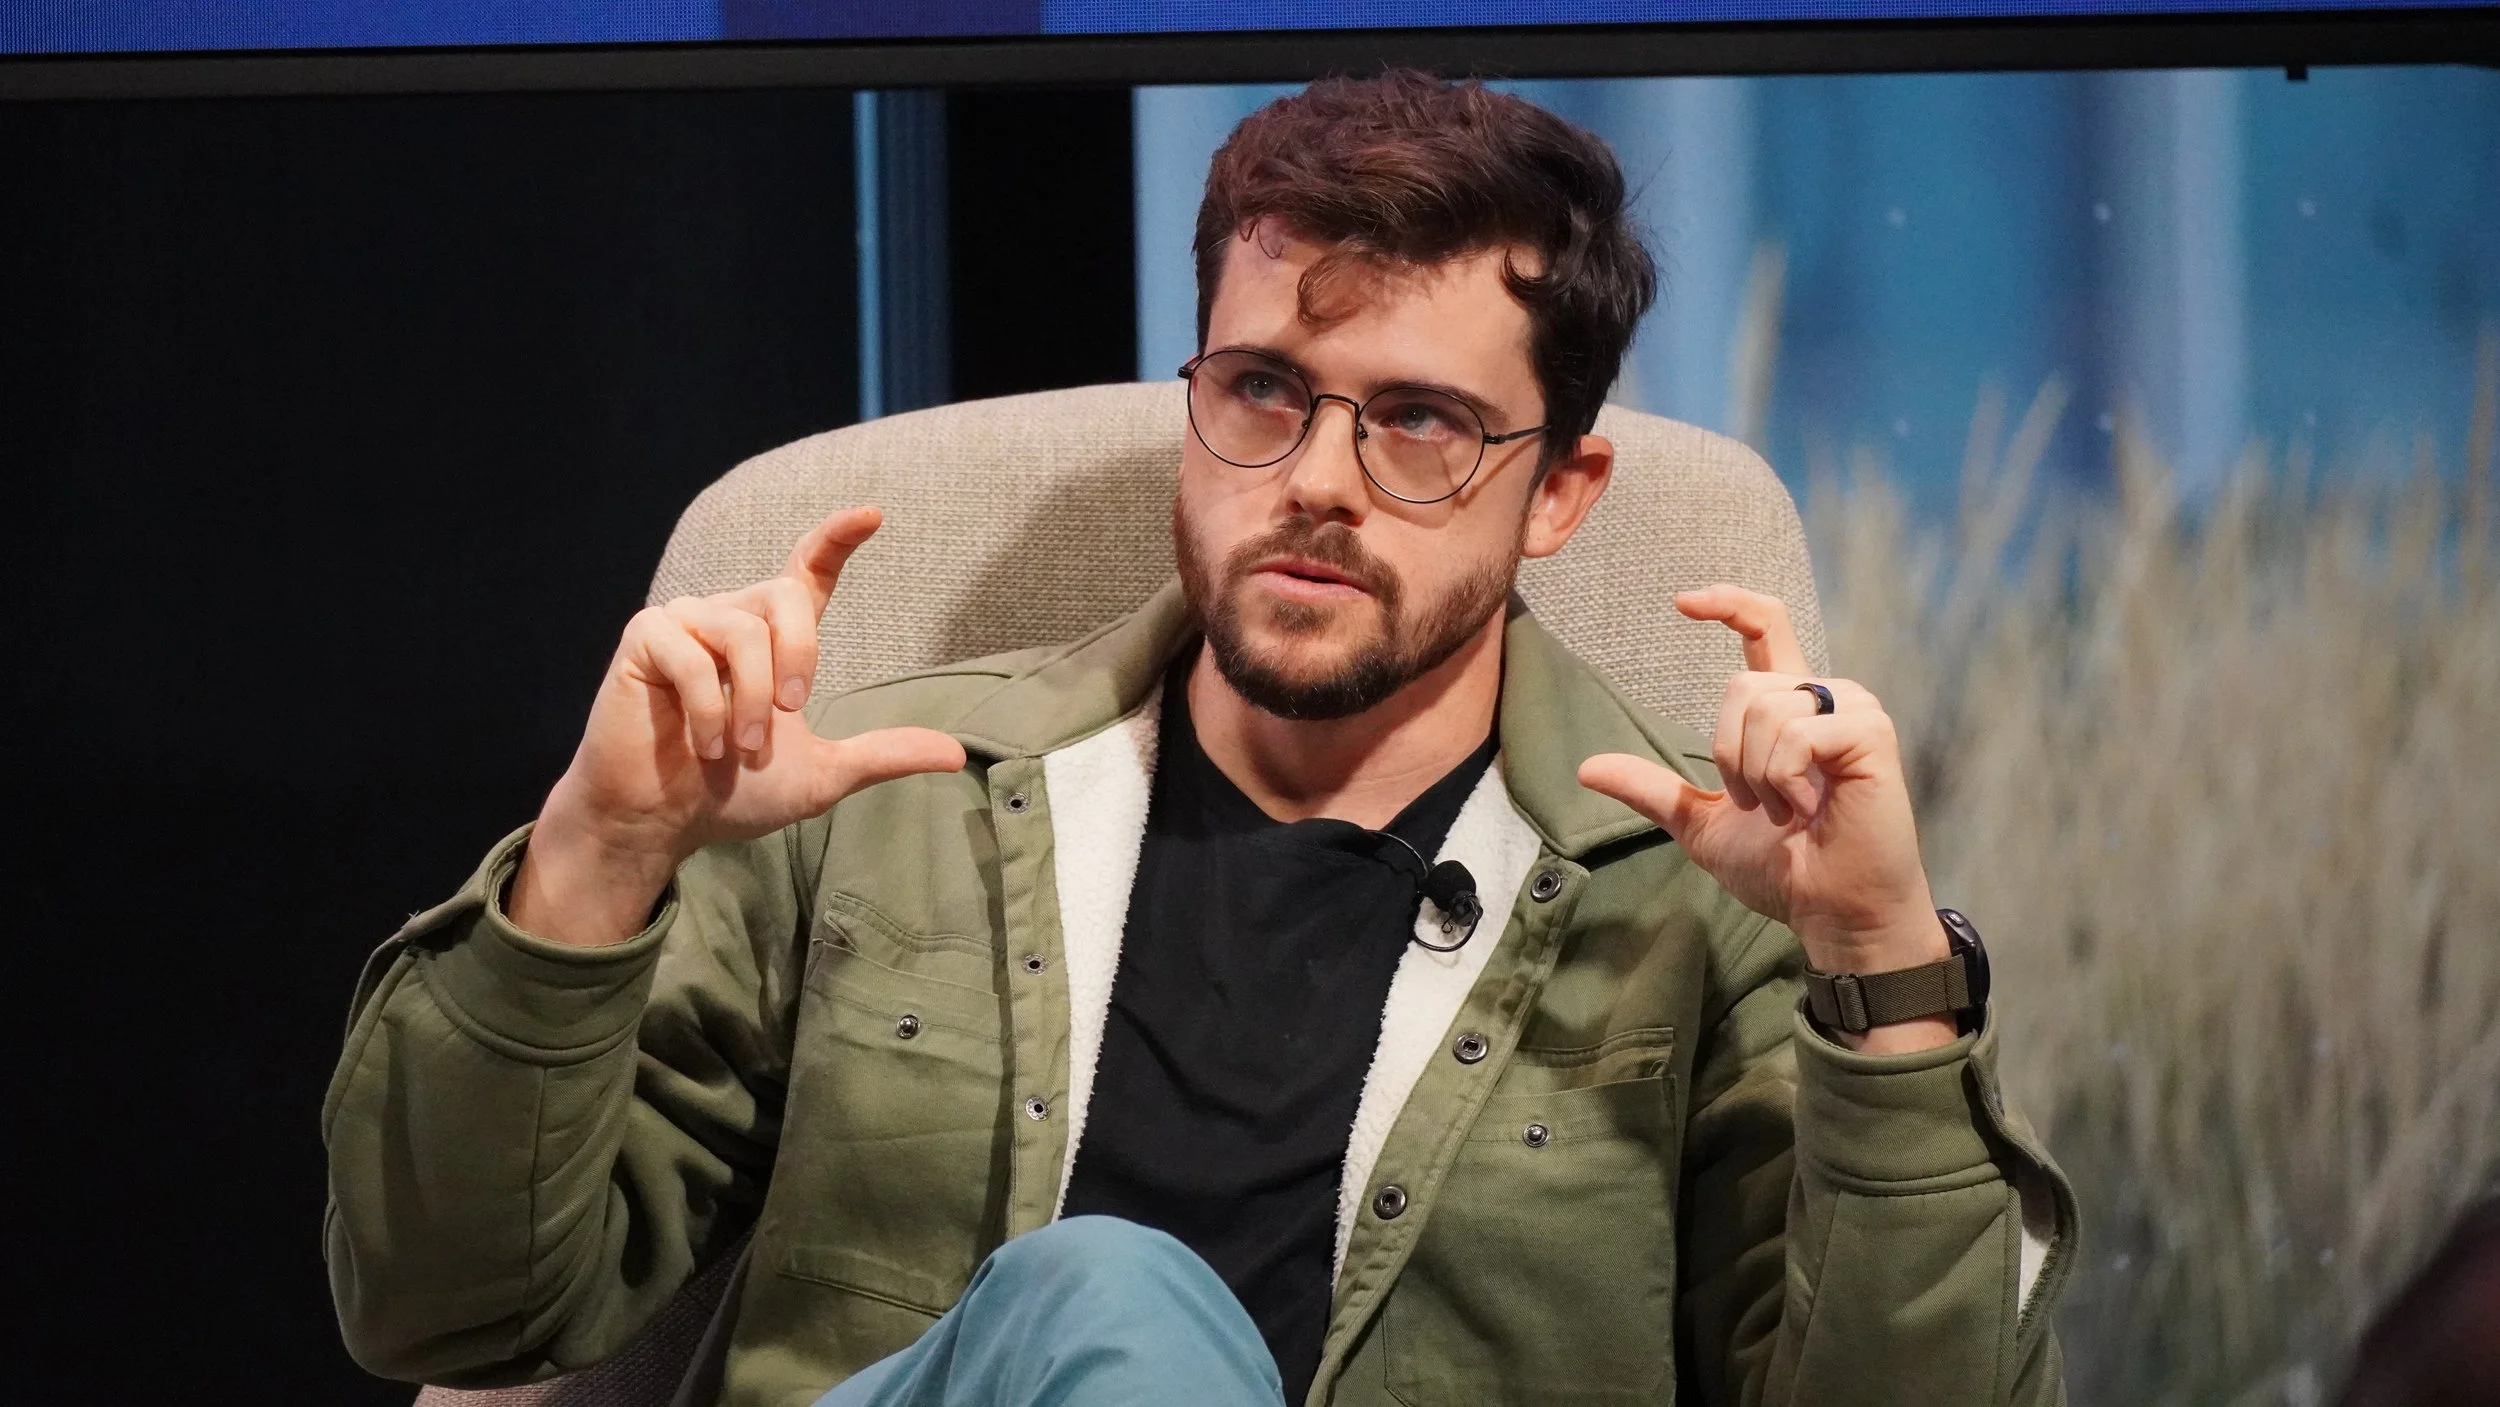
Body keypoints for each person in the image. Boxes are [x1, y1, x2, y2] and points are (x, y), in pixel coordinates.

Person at [324, 72, 2074, 1406]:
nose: (1315, 480)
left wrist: (1880, 966)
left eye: (1419, 423)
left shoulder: (1709, 904)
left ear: (1563, 493)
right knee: (1101, 1300)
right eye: (1262, 393)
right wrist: (594, 858)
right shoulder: (877, 797)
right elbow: (452, 1305)